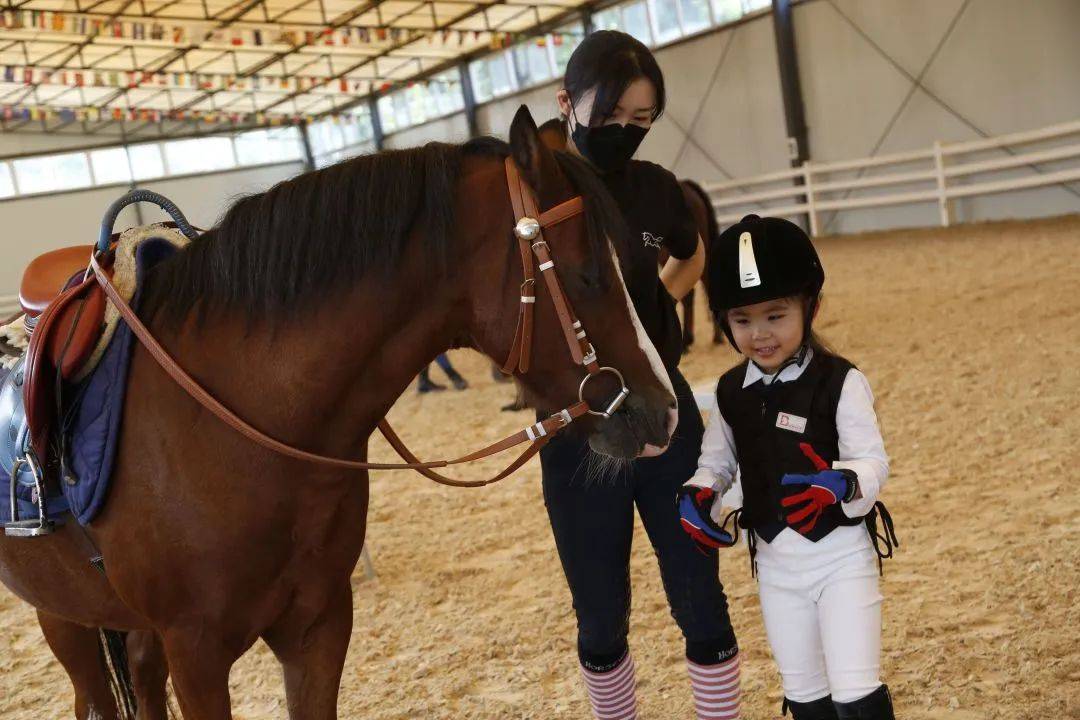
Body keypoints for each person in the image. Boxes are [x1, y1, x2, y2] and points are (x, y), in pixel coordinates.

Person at [539, 30, 740, 720]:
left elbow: (691, 254)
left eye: (641, 121)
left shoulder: (656, 189)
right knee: (598, 614)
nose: (625, 133)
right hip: (581, 429)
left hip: (668, 415)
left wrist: (659, 304)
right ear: (566, 102)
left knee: (699, 594)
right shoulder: (543, 195)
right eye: (611, 116)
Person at [678, 214, 898, 720]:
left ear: (811, 307)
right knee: (804, 695)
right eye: (741, 320)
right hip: (776, 566)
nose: (759, 334)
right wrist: (698, 493)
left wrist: (843, 481)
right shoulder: (731, 392)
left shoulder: (841, 381)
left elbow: (872, 461)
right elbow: (717, 463)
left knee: (854, 693)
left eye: (775, 315)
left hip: (841, 557)